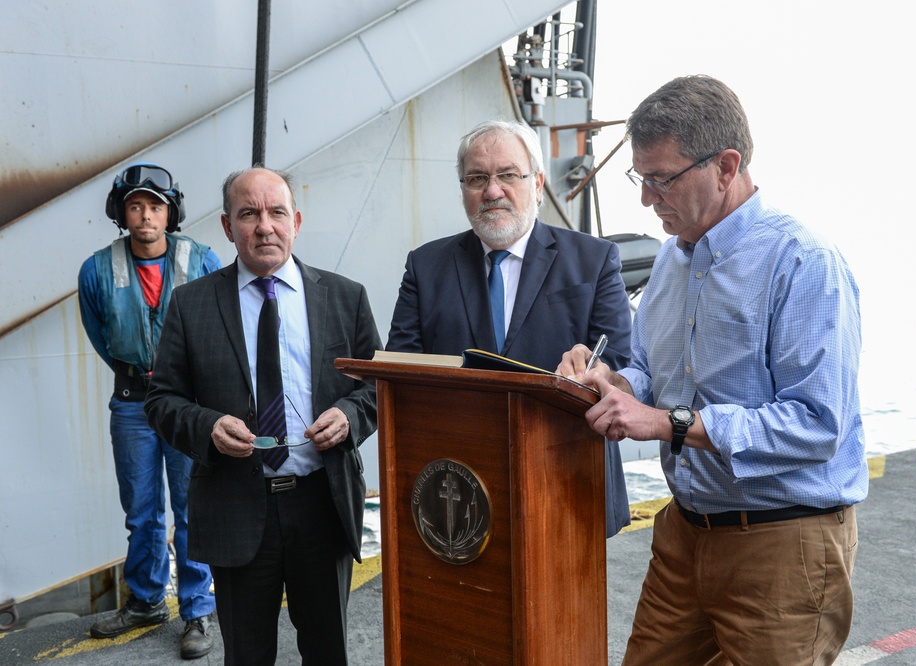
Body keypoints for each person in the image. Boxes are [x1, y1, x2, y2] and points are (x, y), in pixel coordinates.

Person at [558, 75, 867, 665]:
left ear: (726, 166)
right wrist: (614, 386)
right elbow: (650, 370)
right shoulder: (673, 261)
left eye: (661, 179)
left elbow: (817, 424)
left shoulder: (803, 262)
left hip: (783, 541)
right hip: (685, 534)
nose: (647, 199)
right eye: (640, 178)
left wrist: (667, 423)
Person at [145, 166, 380, 665]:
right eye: (249, 214)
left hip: (321, 504)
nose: (264, 226)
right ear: (228, 227)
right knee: (247, 655)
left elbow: (378, 388)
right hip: (236, 505)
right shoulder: (191, 305)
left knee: (328, 651)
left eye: (276, 212)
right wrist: (207, 427)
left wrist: (349, 416)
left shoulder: (345, 297)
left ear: (295, 220)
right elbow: (161, 400)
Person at [386, 118, 634, 536]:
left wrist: (595, 372)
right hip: (458, 487)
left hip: (568, 479)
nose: (492, 190)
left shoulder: (594, 260)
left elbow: (623, 363)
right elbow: (402, 370)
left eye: (507, 175)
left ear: (537, 184)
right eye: (477, 178)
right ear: (463, 188)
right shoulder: (425, 266)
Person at [78, 163, 220, 659]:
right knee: (141, 512)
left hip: (187, 404)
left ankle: (197, 608)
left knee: (190, 508)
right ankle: (145, 601)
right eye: (135, 206)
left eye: (155, 206)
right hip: (132, 405)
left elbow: (219, 324)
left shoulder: (201, 260)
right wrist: (140, 376)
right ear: (122, 212)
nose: (145, 216)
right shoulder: (96, 269)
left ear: (170, 212)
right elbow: (101, 336)